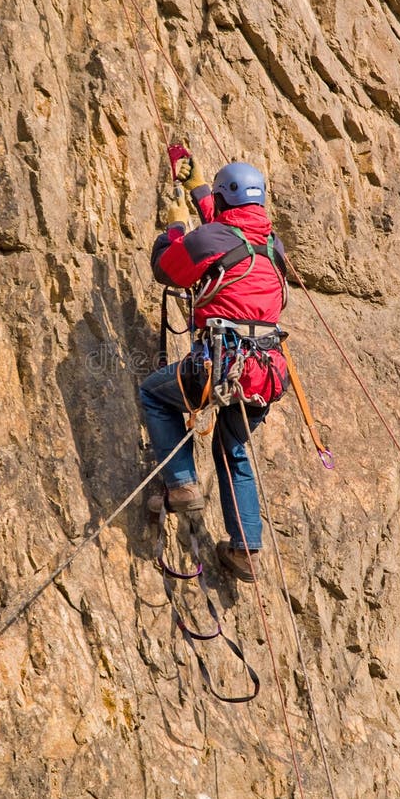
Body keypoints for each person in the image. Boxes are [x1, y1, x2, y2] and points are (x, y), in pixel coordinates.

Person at [139, 154, 288, 582]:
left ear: (226, 203)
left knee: (154, 394)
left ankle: (181, 483)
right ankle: (245, 548)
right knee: (232, 448)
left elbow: (168, 269)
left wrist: (173, 231)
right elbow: (236, 238)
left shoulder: (211, 239)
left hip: (219, 367)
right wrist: (203, 193)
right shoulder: (273, 246)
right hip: (264, 374)